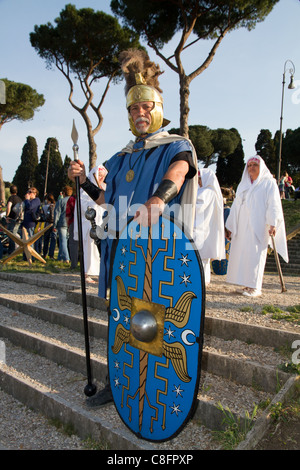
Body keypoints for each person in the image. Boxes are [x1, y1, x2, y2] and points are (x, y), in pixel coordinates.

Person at [68, 49, 198, 407]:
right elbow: (106, 199)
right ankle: (119, 382)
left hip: (157, 253)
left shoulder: (176, 146)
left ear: (157, 108)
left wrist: (158, 200)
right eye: (132, 109)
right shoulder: (121, 157)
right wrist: (82, 182)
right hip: (122, 251)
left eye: (145, 108)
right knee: (123, 320)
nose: (139, 114)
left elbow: (179, 173)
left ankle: (158, 388)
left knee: (158, 322)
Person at [225, 155, 288, 297]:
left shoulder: (268, 183)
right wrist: (230, 226)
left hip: (259, 225)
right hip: (242, 225)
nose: (251, 167)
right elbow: (235, 206)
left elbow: (274, 204)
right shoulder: (243, 184)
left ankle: (256, 287)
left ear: (261, 167)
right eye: (249, 165)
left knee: (256, 255)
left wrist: (273, 223)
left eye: (255, 165)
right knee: (243, 254)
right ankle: (247, 285)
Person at [73, 165, 107, 282]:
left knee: (98, 251)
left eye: (103, 176)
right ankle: (87, 273)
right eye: (100, 176)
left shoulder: (103, 189)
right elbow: (84, 207)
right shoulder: (84, 192)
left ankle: (97, 273)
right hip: (89, 225)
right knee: (89, 250)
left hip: (101, 225)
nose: (101, 179)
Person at [193, 169, 225, 285]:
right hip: (202, 227)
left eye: (201, 178)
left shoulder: (207, 192)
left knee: (201, 256)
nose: (199, 181)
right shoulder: (208, 192)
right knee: (201, 257)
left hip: (201, 227)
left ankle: (203, 280)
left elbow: (196, 206)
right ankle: (203, 280)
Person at [53, 186, 72, 263]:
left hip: (62, 222)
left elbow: (57, 213)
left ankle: (66, 258)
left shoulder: (60, 201)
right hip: (71, 222)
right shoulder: (74, 201)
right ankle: (60, 257)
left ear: (63, 193)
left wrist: (54, 225)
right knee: (65, 240)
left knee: (63, 241)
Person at [6, 185, 22, 254]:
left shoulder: (11, 198)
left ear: (10, 191)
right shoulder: (19, 199)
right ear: (17, 191)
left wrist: (7, 216)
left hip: (11, 219)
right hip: (18, 219)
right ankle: (17, 249)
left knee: (11, 235)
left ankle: (11, 251)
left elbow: (9, 206)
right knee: (15, 234)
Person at [66, 190, 78, 269]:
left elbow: (68, 213)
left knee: (73, 244)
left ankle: (74, 264)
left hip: (74, 222)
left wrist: (68, 225)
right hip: (89, 222)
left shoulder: (72, 199)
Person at [42, 193, 56, 259]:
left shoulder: (44, 207)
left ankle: (44, 254)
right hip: (54, 224)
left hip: (47, 224)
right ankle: (51, 255)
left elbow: (43, 216)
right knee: (53, 240)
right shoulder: (55, 206)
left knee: (46, 239)